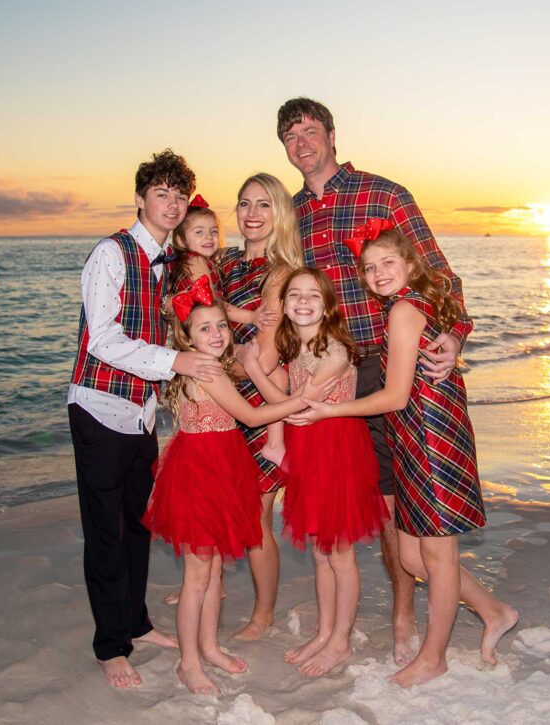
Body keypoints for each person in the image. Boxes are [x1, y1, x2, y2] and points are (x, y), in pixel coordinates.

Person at [276, 96, 473, 663]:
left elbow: (441, 276)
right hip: (329, 371)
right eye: (291, 137)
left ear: (332, 135)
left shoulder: (384, 195)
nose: (302, 144)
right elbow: (283, 292)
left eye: (310, 131)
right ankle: (356, 619)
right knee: (348, 504)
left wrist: (455, 336)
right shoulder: (293, 213)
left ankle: (404, 613)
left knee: (398, 503)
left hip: (389, 366)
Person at [294, 223, 518, 686]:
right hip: (415, 436)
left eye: (387, 263)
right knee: (416, 560)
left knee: (435, 559)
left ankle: (433, 658)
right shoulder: (410, 305)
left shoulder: (403, 310)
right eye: (369, 268)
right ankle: (494, 610)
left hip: (432, 438)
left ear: (411, 265)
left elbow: (394, 395)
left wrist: (331, 411)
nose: (377, 273)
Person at [66, 150, 223, 689]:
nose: (173, 203)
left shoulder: (169, 262)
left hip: (141, 414)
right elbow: (104, 340)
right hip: (99, 406)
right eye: (162, 193)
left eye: (180, 195)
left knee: (138, 524)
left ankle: (134, 623)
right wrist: (176, 362)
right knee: (105, 531)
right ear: (140, 198)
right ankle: (110, 646)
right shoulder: (111, 254)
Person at [144, 288, 336, 693]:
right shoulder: (206, 371)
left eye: (220, 326)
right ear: (186, 337)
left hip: (221, 467)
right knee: (197, 576)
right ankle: (189, 662)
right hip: (200, 474)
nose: (215, 334)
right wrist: (300, 399)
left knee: (214, 569)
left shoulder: (217, 364)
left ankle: (210, 646)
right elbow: (249, 414)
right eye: (204, 328)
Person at [241, 268, 388, 677]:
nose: (303, 302)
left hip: (337, 453)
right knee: (322, 554)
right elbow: (291, 401)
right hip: (309, 451)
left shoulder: (336, 350)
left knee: (340, 554)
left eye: (313, 296)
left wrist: (254, 369)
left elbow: (299, 407)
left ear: (328, 307)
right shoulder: (297, 347)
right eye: (295, 295)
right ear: (284, 304)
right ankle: (324, 633)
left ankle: (340, 641)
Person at [218, 173, 303, 641]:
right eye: (244, 203)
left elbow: (269, 352)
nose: (252, 214)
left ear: (280, 214)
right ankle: (210, 582)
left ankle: (263, 614)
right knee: (218, 499)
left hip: (259, 399)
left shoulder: (282, 272)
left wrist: (211, 375)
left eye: (264, 205)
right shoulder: (225, 263)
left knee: (255, 515)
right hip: (220, 399)